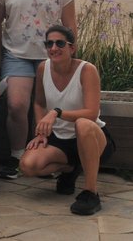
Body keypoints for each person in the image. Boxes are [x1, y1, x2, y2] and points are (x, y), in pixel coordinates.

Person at [0, 0, 76, 180]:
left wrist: (69, 60)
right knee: (17, 105)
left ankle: (42, 154)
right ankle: (17, 155)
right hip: (16, 55)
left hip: (51, 57)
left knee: (48, 108)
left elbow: (70, 27)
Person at [19, 25, 115, 215]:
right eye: (49, 44)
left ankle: (90, 193)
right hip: (60, 140)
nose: (54, 48)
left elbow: (91, 113)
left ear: (72, 48)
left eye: (60, 43)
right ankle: (72, 168)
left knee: (82, 123)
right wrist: (41, 133)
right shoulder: (43, 68)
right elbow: (39, 103)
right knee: (27, 166)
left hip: (92, 139)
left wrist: (57, 112)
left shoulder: (87, 70)